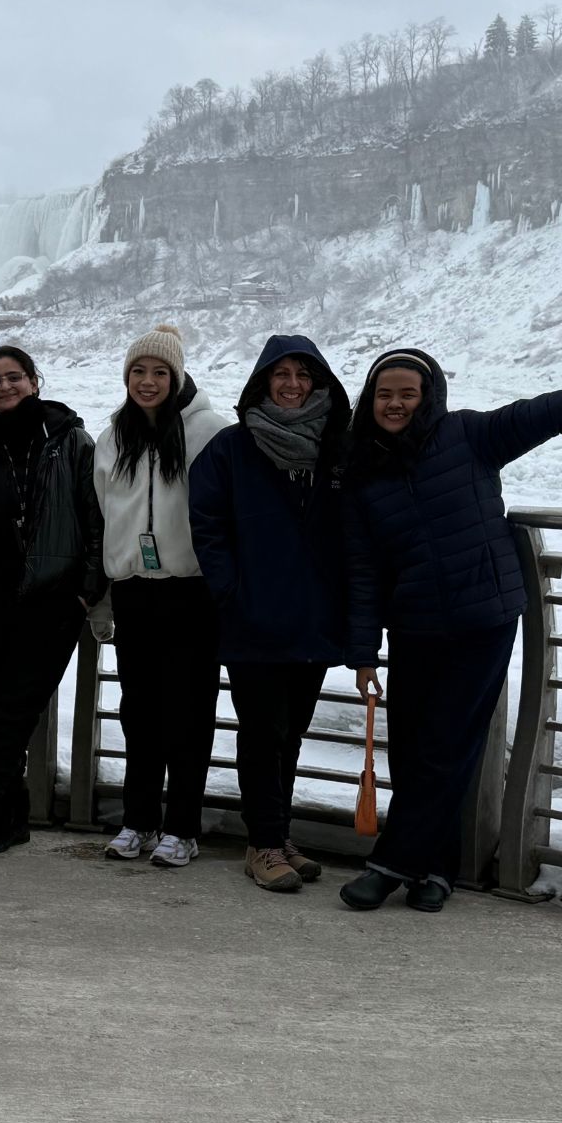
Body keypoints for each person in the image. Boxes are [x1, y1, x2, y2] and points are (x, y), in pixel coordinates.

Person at [340, 351, 562, 912]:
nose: (396, 404)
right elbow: (362, 570)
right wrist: (362, 651)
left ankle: (390, 866)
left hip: (483, 618)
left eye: (408, 393)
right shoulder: (360, 469)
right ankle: (437, 870)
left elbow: (549, 412)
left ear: (429, 396)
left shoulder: (470, 435)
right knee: (411, 749)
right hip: (415, 625)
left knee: (446, 744)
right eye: (386, 394)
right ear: (370, 399)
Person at [189, 335, 349, 893]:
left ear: (319, 383)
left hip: (313, 617)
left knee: (293, 733)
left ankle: (278, 836)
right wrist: (232, 590)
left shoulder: (336, 449)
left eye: (303, 374)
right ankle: (261, 843)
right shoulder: (232, 448)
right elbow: (205, 521)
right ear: (262, 382)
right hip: (252, 618)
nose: (292, 384)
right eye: (280, 374)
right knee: (262, 731)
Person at [0, 345, 105, 861]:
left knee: (14, 712)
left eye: (14, 378)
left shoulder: (71, 440)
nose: (4, 387)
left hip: (52, 600)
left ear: (34, 380)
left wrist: (86, 588)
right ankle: (10, 819)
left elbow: (95, 517)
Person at [88, 325, 227, 868]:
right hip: (134, 592)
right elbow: (103, 518)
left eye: (160, 372)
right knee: (138, 712)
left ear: (178, 376)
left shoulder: (210, 431)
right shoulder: (112, 437)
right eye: (138, 372)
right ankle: (138, 820)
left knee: (190, 713)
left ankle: (183, 827)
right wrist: (102, 597)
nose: (148, 382)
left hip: (192, 593)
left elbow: (226, 516)